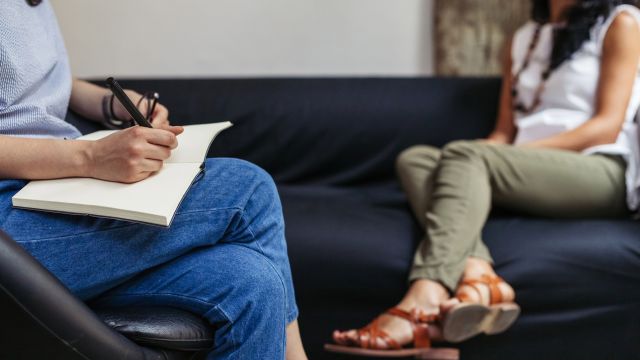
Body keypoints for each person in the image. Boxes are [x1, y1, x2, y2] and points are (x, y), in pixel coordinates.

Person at [330, 0, 640, 356]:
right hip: (525, 166)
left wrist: (493, 155)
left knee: (465, 155)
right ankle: (480, 276)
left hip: (600, 169)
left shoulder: (622, 24)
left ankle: (427, 292)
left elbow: (606, 127)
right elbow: (503, 133)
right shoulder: (524, 38)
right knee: (417, 159)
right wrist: (472, 154)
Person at [0, 1, 307, 359]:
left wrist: (111, 103)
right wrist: (91, 157)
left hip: (48, 192)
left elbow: (34, 82)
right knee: (248, 189)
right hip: (12, 228)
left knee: (255, 283)